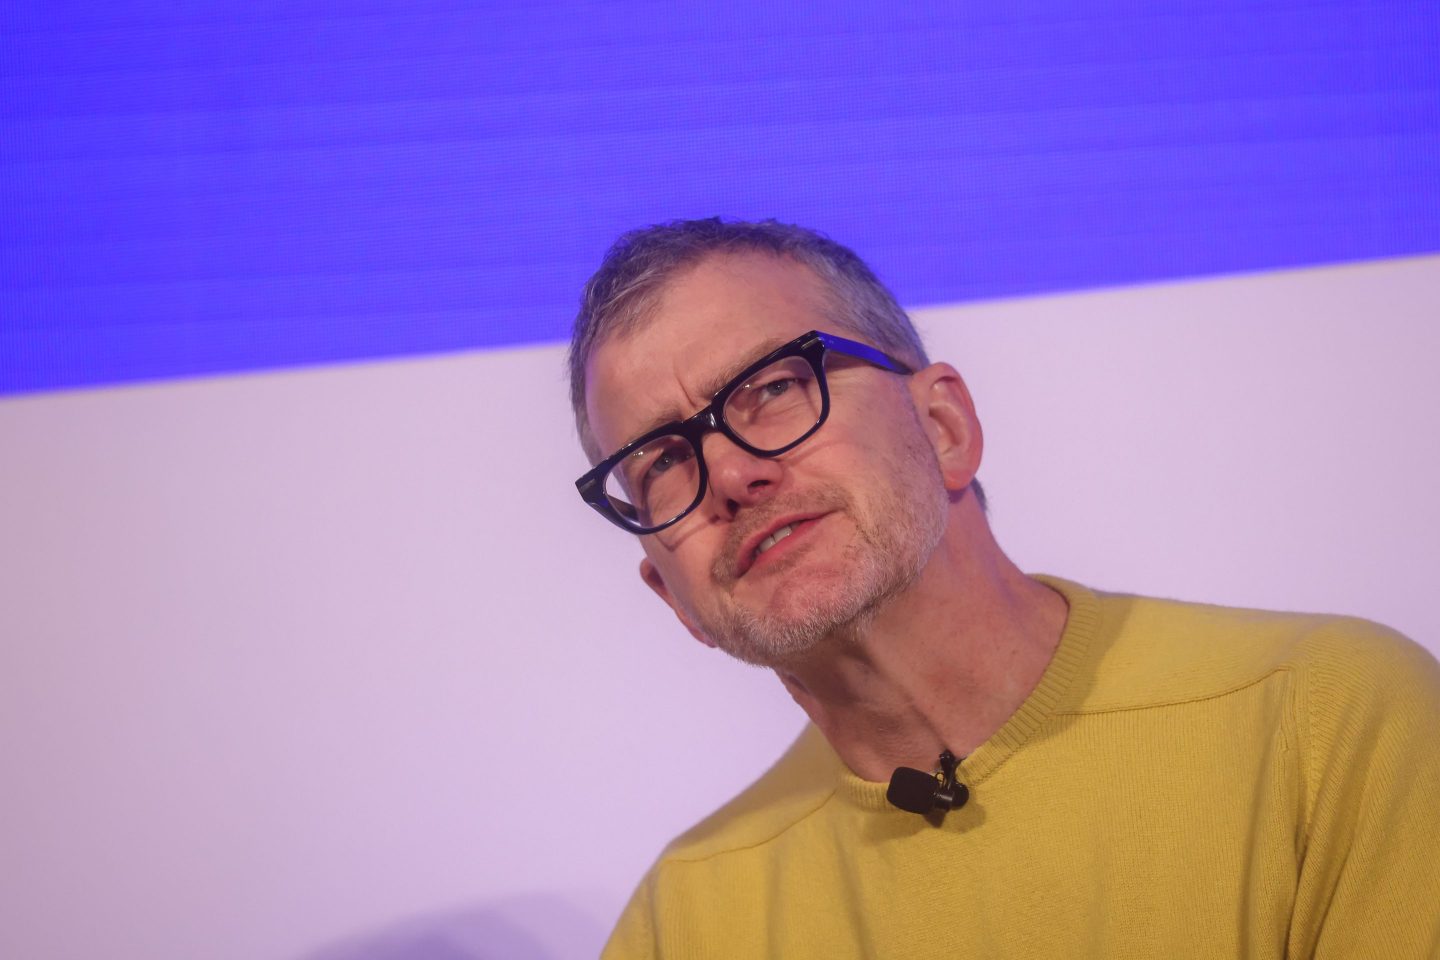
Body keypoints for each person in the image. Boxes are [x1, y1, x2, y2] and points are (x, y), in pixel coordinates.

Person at [567, 218, 1440, 959]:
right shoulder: (682, 925)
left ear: (944, 426)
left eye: (774, 389)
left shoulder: (1325, 722)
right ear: (673, 598)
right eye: (663, 464)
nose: (726, 472)